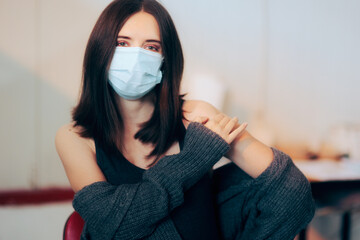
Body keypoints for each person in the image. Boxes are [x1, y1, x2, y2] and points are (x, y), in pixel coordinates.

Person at [55, 0, 315, 239]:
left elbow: (292, 191)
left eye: (151, 47)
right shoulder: (75, 138)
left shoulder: (196, 116)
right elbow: (113, 224)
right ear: (100, 50)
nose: (135, 57)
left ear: (165, 60)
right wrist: (193, 159)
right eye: (122, 43)